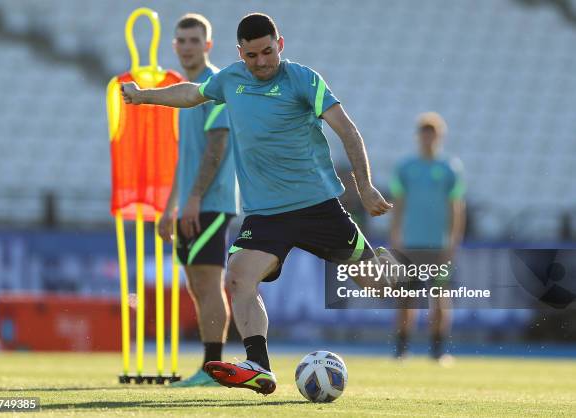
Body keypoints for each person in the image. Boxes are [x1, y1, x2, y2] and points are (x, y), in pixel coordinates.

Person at [122, 13, 396, 395]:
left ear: (279, 44)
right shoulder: (231, 79)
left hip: (317, 206)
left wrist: (364, 186)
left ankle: (385, 263)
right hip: (267, 214)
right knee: (237, 276)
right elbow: (190, 94)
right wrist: (144, 96)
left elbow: (347, 129)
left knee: (380, 287)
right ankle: (259, 367)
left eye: (268, 52)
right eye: (252, 55)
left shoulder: (303, 79)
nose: (262, 62)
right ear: (241, 53)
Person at [156, 14, 236, 387]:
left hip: (211, 202)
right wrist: (170, 205)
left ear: (207, 45)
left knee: (208, 284)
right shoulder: (186, 89)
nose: (187, 46)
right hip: (192, 202)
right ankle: (211, 367)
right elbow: (185, 157)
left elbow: (216, 149)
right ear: (174, 46)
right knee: (198, 286)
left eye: (194, 40)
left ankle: (213, 370)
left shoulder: (215, 85)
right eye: (181, 41)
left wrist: (193, 199)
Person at [389, 112, 466, 363]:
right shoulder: (406, 168)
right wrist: (395, 236)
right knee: (406, 298)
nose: (428, 137)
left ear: (439, 136)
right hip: (410, 244)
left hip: (439, 246)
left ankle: (439, 350)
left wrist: (453, 241)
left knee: (440, 297)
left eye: (432, 132)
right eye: (424, 132)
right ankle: (402, 349)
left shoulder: (449, 168)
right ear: (418, 136)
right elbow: (398, 203)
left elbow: (456, 206)